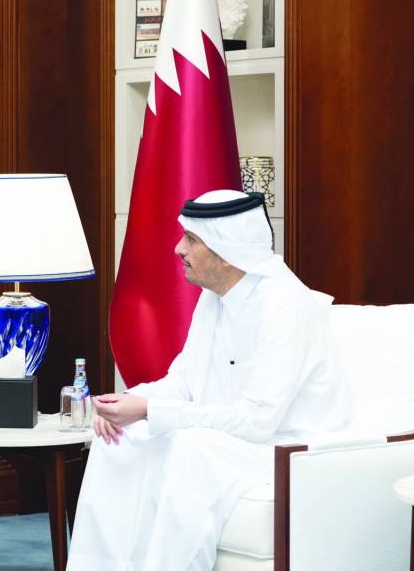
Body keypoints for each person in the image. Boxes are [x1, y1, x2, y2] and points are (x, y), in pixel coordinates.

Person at [67, 189, 350, 571]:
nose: (178, 249)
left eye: (192, 240)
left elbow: (258, 420)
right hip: (234, 441)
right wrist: (127, 403)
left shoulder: (286, 306)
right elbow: (183, 381)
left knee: (189, 449)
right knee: (117, 439)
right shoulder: (215, 297)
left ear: (226, 249)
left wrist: (150, 410)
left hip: (289, 448)